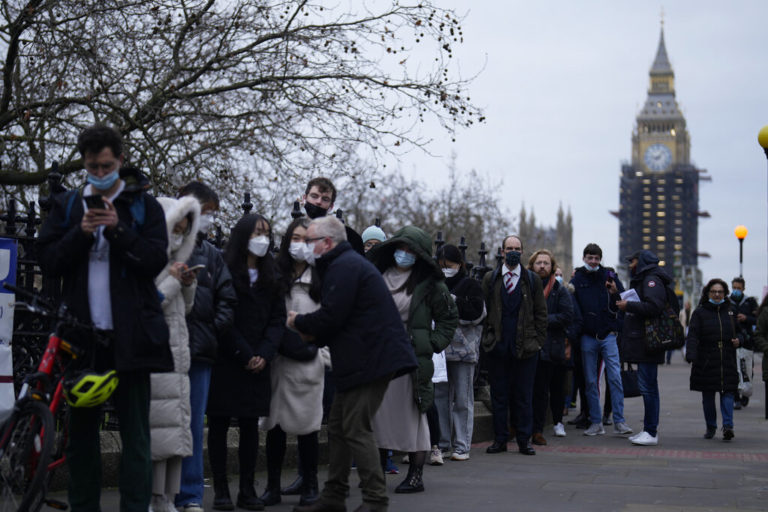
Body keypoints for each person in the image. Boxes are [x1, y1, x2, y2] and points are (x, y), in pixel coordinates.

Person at [37, 124, 172, 511]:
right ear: (83, 163)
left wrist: (118, 231)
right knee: (80, 436)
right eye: (92, 167)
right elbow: (47, 261)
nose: (99, 174)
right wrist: (80, 233)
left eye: (106, 166)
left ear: (121, 161)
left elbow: (154, 261)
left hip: (132, 336)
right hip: (81, 340)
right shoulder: (66, 205)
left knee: (136, 436)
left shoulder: (144, 207)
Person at [287, 216, 418, 512]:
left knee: (355, 428)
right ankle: (334, 495)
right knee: (337, 426)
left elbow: (332, 316)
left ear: (327, 243)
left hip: (370, 360)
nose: (306, 247)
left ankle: (375, 500)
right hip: (362, 359)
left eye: (310, 241)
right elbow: (340, 321)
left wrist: (298, 321)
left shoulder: (344, 267)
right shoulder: (343, 265)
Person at [368, 226, 458, 491]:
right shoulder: (378, 275)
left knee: (412, 418)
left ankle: (416, 476)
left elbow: (449, 318)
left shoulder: (430, 284)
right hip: (380, 358)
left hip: (410, 361)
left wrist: (431, 343)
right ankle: (376, 477)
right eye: (401, 248)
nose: (404, 254)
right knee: (377, 416)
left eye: (411, 250)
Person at [208, 214, 286, 511]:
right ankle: (221, 490)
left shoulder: (272, 275)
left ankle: (246, 489)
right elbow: (223, 317)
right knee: (218, 424)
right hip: (227, 359)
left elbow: (278, 319)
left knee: (250, 427)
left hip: (259, 361)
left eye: (267, 233)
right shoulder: (224, 269)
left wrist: (264, 354)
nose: (263, 238)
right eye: (257, 232)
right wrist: (244, 353)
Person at [259, 217, 330, 507]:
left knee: (308, 428)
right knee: (274, 427)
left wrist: (322, 356)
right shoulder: (275, 275)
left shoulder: (323, 277)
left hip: (309, 361)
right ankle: (272, 486)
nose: (300, 245)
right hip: (278, 359)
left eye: (307, 239)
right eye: (296, 238)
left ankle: (310, 483)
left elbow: (333, 319)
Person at [175, 182, 237, 512]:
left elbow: (227, 298)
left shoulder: (211, 254)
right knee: (164, 422)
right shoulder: (165, 245)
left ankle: (190, 495)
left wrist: (212, 330)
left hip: (199, 352)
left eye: (212, 213)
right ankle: (162, 492)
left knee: (194, 426)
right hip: (167, 350)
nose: (210, 220)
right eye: (207, 212)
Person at [149, 196, 200, 511]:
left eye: (184, 231)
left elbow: (187, 308)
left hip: (178, 358)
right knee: (159, 431)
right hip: (157, 355)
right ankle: (155, 495)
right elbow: (151, 303)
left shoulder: (174, 261)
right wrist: (173, 281)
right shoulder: (150, 260)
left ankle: (169, 495)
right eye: (175, 229)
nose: (178, 237)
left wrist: (188, 283)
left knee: (177, 433)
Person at [482, 235, 547, 456]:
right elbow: (485, 312)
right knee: (499, 397)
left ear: (522, 252)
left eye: (517, 248)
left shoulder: (531, 279)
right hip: (498, 348)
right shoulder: (490, 279)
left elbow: (541, 314)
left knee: (523, 397)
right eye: (509, 248)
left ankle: (524, 441)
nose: (513, 252)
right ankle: (500, 439)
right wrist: (487, 340)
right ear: (502, 251)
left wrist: (538, 342)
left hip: (526, 349)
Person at [569, 243, 633, 437]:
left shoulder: (609, 276)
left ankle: (619, 421)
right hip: (587, 336)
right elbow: (573, 306)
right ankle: (596, 421)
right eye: (590, 258)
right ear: (584, 258)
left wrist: (614, 292)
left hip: (608, 336)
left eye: (596, 258)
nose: (593, 261)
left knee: (615, 378)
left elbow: (624, 302)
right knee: (590, 381)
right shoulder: (577, 278)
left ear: (600, 259)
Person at [614, 250, 673, 446]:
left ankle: (651, 431)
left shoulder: (651, 280)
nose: (631, 265)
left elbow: (654, 307)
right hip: (644, 341)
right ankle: (648, 429)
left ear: (642, 262)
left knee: (648, 388)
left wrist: (629, 305)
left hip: (649, 342)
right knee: (648, 387)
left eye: (633, 261)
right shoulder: (647, 278)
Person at [434, 244, 486, 461]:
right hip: (440, 350)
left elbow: (476, 313)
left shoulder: (471, 285)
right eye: (443, 266)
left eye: (451, 265)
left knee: (463, 399)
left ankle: (462, 445)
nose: (447, 269)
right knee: (440, 398)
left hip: (464, 350)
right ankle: (444, 442)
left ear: (459, 265)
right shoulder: (434, 284)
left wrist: (454, 303)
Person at [685, 278, 740, 441]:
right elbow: (693, 335)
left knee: (728, 393)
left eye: (720, 292)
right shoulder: (700, 312)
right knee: (708, 396)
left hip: (727, 359)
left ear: (725, 293)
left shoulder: (731, 311)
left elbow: (742, 332)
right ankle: (711, 426)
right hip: (706, 360)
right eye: (714, 292)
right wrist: (691, 354)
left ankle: (728, 426)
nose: (717, 294)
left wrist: (740, 340)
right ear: (708, 293)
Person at [528, 250, 573, 445]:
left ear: (552, 266)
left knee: (556, 388)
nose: (542, 266)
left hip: (553, 346)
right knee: (536, 390)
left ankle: (557, 422)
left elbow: (567, 315)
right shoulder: (527, 285)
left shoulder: (559, 289)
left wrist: (542, 320)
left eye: (546, 263)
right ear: (532, 265)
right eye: (539, 263)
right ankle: (535, 428)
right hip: (532, 346)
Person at [302, 176, 364, 254]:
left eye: (325, 199)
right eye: (314, 196)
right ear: (304, 198)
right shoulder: (295, 233)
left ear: (331, 206)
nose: (318, 201)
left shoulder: (350, 237)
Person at [728, 277, 757, 409]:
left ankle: (746, 393)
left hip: (747, 341)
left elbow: (757, 319)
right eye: (734, 287)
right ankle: (736, 398)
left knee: (747, 369)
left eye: (738, 288)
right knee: (734, 370)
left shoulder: (750, 302)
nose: (736, 290)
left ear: (743, 289)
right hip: (732, 341)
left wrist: (746, 318)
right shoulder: (727, 302)